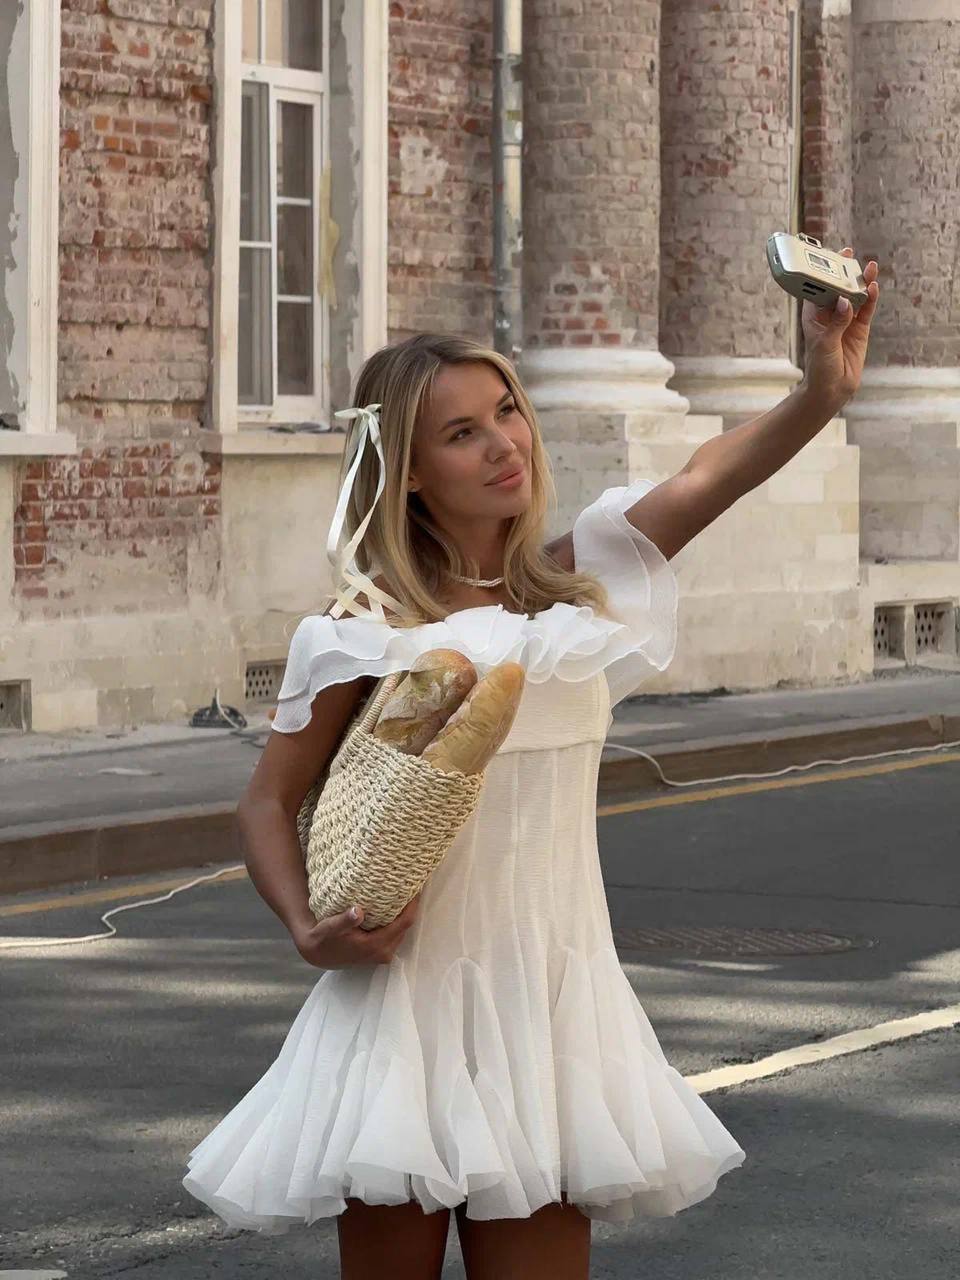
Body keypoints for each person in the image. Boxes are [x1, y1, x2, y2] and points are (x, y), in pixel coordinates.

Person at [181, 260, 880, 1279]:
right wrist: (306, 930)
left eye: (506, 411)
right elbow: (268, 801)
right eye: (463, 431)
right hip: (399, 1018)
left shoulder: (574, 594)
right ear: (409, 471)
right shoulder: (359, 634)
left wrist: (822, 389)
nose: (503, 440)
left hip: (551, 1013)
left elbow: (706, 474)